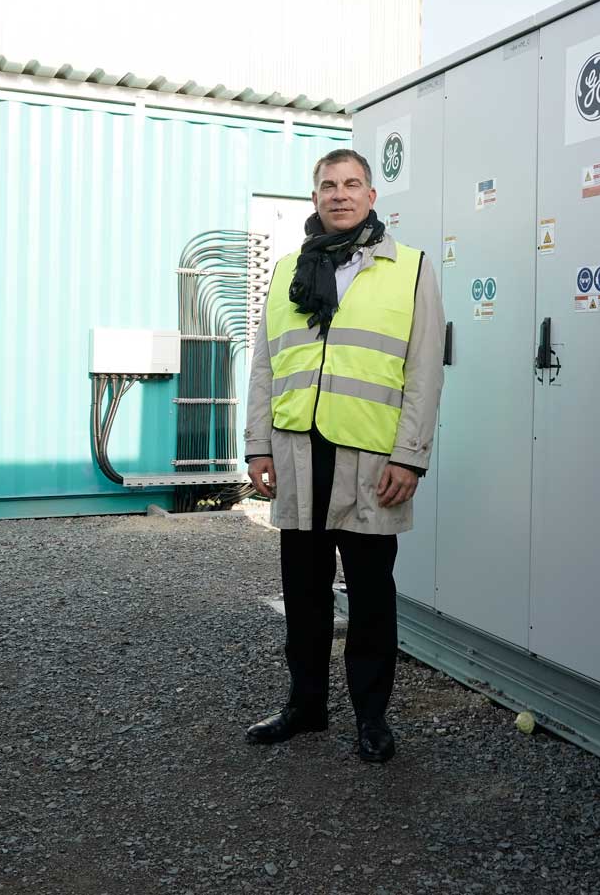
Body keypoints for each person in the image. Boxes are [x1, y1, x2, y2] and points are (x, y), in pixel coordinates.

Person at [243, 147, 444, 763]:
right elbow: (264, 363)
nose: (339, 194)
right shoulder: (287, 271)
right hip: (299, 453)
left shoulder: (409, 268)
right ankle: (306, 705)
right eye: (328, 185)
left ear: (371, 197)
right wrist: (256, 446)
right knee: (303, 593)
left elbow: (424, 369)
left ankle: (371, 716)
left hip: (371, 461)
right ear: (314, 197)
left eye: (352, 184)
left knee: (370, 595)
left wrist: (410, 457)